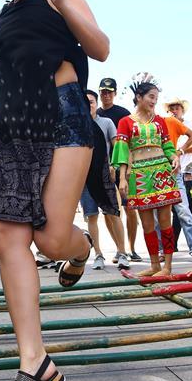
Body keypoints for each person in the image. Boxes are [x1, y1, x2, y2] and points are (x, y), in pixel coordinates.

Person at [0, 0, 109, 381]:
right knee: (5, 232)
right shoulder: (5, 17)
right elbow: (10, 71)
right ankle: (34, 362)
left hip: (62, 119)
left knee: (53, 241)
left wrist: (59, 3)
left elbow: (99, 49)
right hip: (14, 129)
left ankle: (81, 250)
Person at [112, 79, 180, 277]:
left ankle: (167, 266)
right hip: (139, 175)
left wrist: (174, 157)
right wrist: (123, 177)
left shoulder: (160, 121)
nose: (154, 101)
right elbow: (123, 151)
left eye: (156, 98)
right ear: (139, 97)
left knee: (166, 220)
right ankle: (155, 265)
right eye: (151, 97)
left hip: (162, 172)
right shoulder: (125, 121)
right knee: (147, 223)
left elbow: (167, 146)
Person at [83, 89, 129, 269]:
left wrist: (115, 168)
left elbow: (118, 147)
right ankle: (98, 255)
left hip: (105, 176)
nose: (89, 105)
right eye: (85, 102)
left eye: (92, 102)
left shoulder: (107, 122)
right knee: (91, 217)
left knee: (114, 213)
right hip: (84, 178)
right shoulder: (76, 125)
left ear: (96, 103)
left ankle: (122, 252)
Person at [97, 76, 141, 263]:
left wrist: (128, 166)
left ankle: (131, 248)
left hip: (124, 166)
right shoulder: (96, 113)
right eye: (103, 92)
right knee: (109, 210)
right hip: (104, 169)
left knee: (130, 208)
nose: (106, 95)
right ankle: (118, 248)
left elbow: (130, 142)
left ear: (114, 93)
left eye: (109, 92)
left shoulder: (123, 113)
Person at [163, 97, 192, 261]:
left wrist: (179, 151)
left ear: (182, 109)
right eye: (171, 108)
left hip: (189, 167)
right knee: (181, 206)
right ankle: (174, 243)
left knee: (184, 205)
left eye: (177, 108)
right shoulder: (165, 124)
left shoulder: (189, 123)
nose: (174, 110)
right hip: (173, 167)